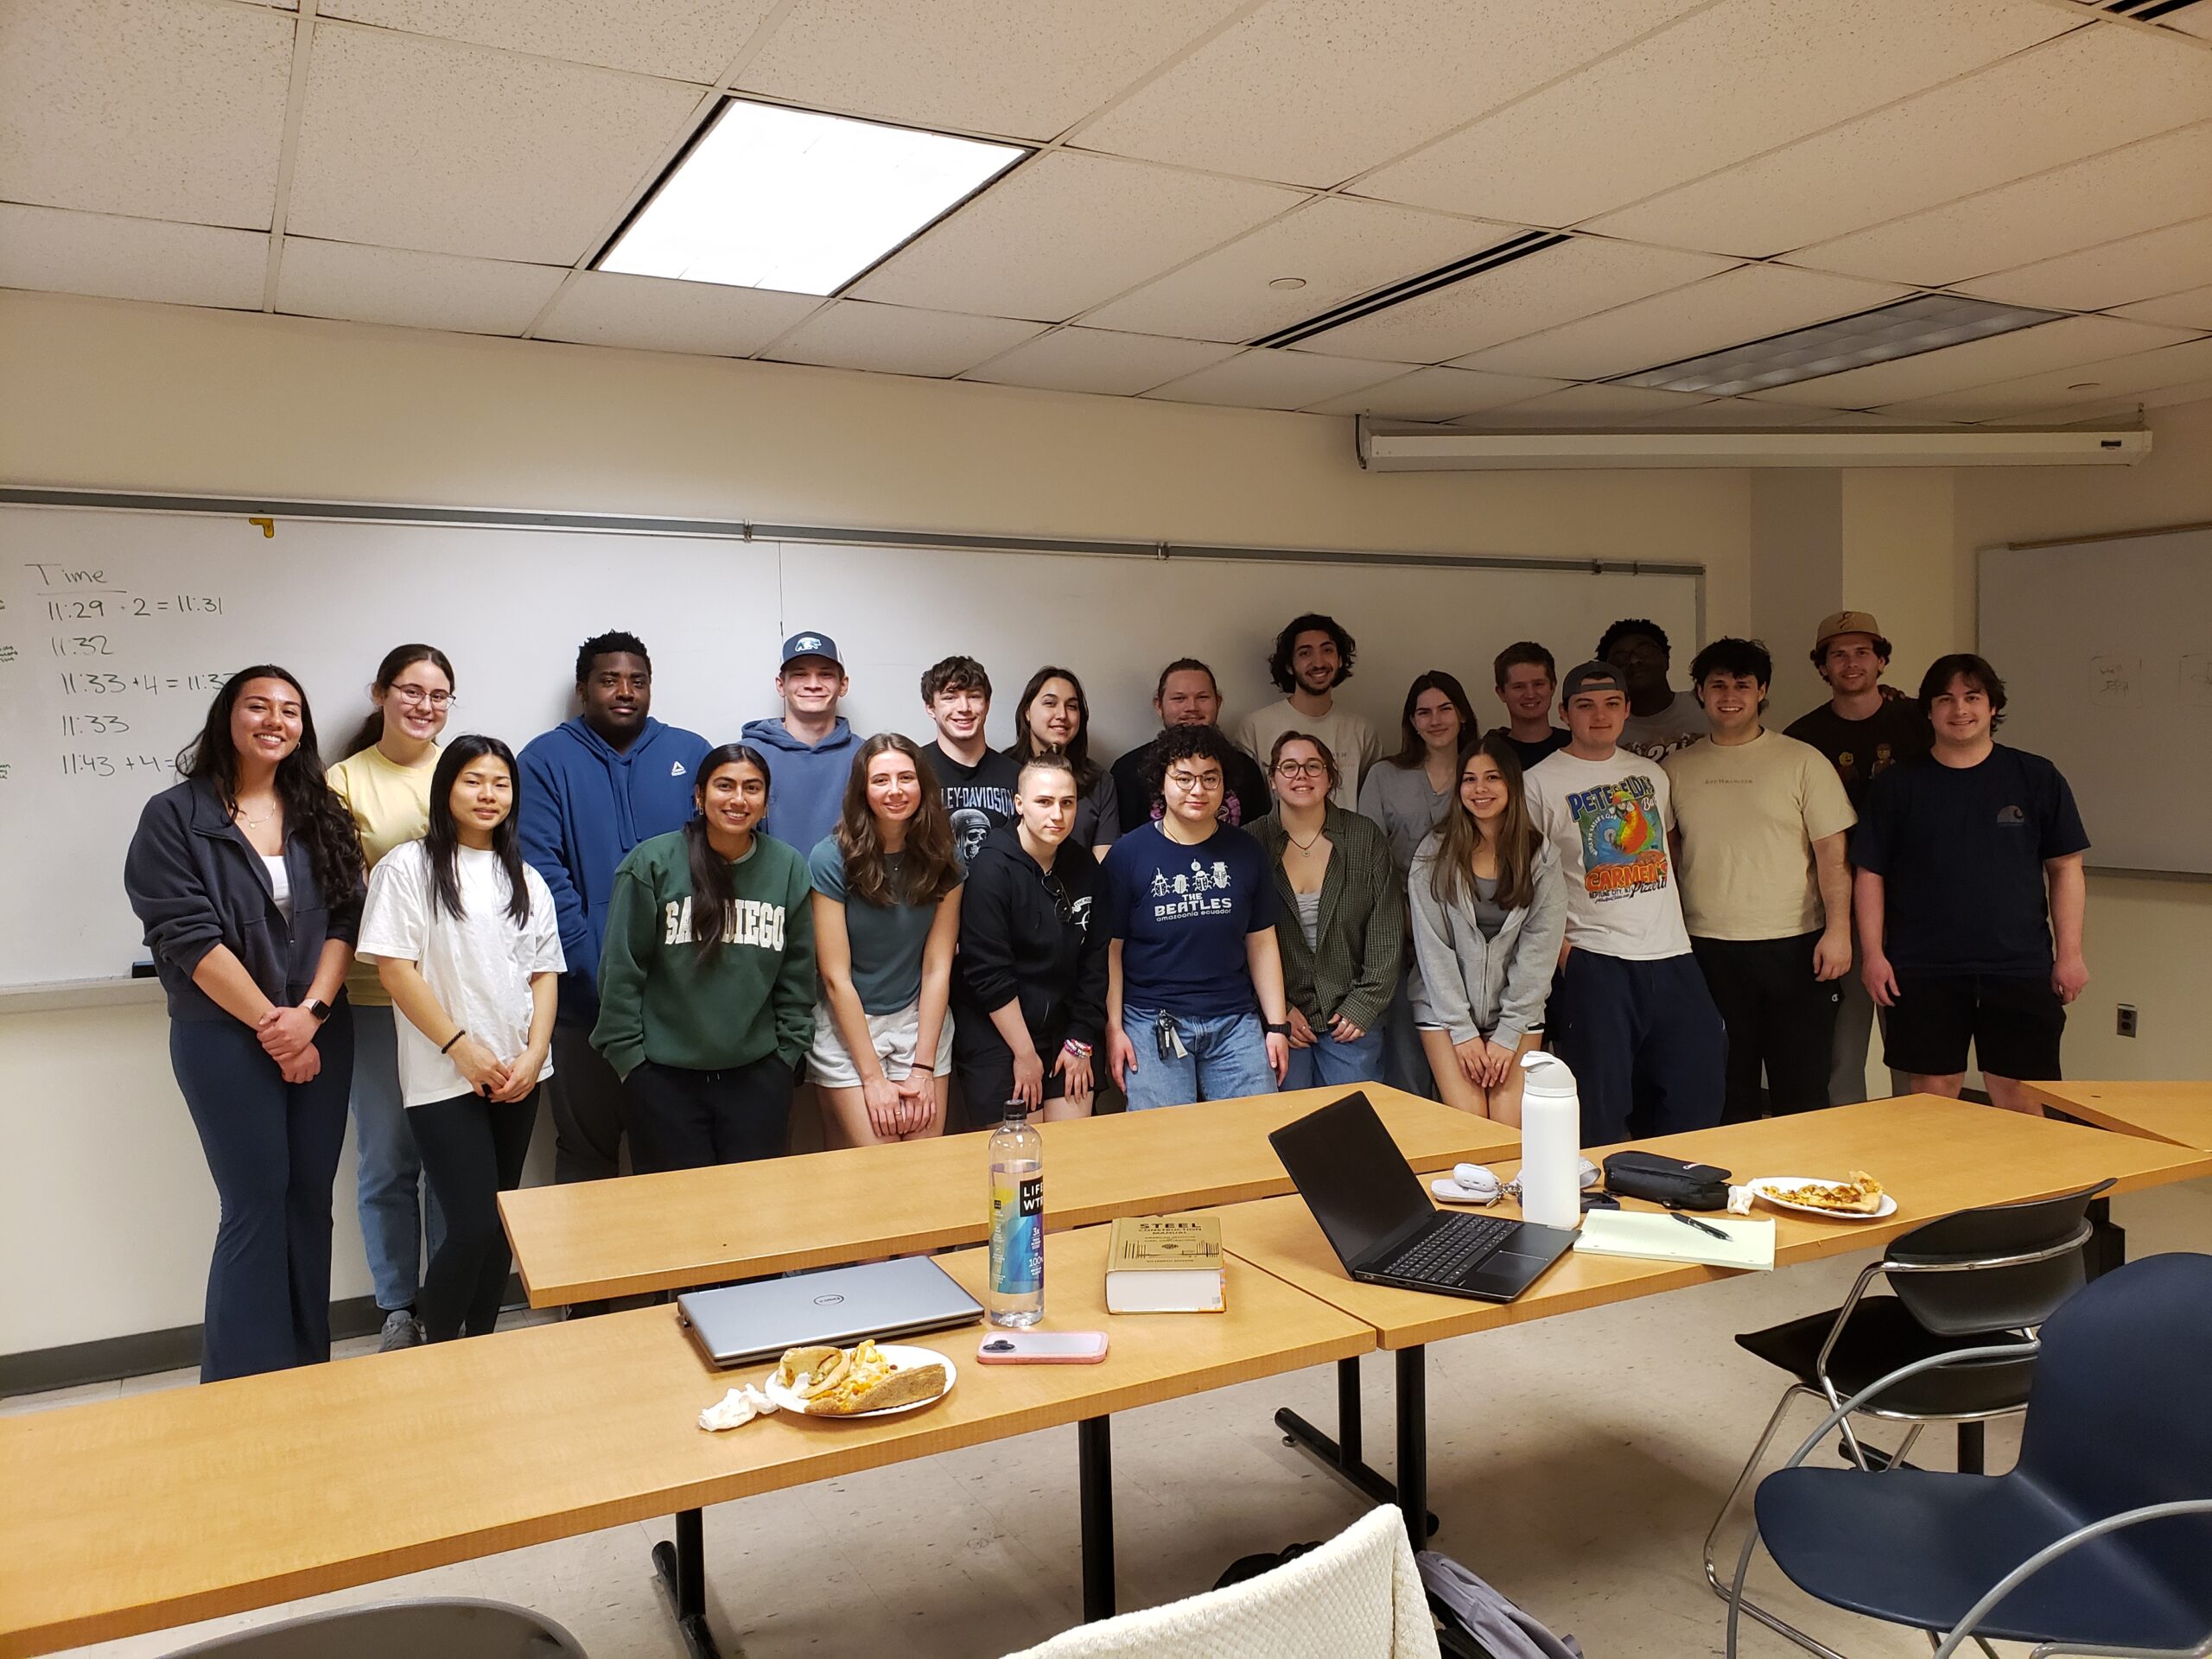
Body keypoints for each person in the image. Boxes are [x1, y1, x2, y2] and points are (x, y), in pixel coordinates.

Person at [124, 668, 364, 1381]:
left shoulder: (322, 810)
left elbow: (348, 916)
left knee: (306, 1198)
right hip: (224, 1034)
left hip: (321, 1027)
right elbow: (187, 936)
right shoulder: (173, 816)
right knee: (254, 1201)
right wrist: (275, 1027)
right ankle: (239, 1387)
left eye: (290, 710)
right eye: (258, 706)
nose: (275, 720)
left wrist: (312, 1015)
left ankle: (305, 1372)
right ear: (227, 717)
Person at [354, 736, 562, 1342]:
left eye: (500, 783)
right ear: (447, 787)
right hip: (445, 1075)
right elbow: (394, 968)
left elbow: (545, 973)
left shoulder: (525, 877)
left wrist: (536, 1054)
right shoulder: (407, 867)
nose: (488, 794)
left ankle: (481, 1346)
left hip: (520, 1074)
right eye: (474, 780)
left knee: (500, 1223)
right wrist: (460, 1048)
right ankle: (437, 1351)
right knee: (470, 1223)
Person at [518, 632, 710, 1216]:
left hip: (682, 1005)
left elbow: (717, 865)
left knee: (674, 1152)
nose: (625, 692)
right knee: (587, 1150)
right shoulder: (543, 761)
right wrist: (603, 976)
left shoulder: (691, 751)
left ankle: (678, 1295)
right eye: (609, 680)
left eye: (638, 680)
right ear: (583, 689)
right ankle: (593, 1303)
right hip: (583, 1004)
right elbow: (544, 876)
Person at [1853, 653, 2089, 1116]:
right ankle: (1939, 1189)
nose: (1959, 709)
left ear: (1993, 707)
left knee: (2019, 1091)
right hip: (1922, 965)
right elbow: (1870, 874)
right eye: (1946, 699)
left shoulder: (2035, 776)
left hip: (2019, 963)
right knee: (1933, 1092)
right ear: (1929, 710)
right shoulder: (1898, 785)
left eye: (1972, 697)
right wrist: (1874, 955)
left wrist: (2071, 955)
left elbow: (2065, 868)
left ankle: (2027, 1190)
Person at [1523, 661, 1725, 1144]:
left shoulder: (1651, 774)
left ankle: (1675, 1194)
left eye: (1612, 704)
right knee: (1601, 1106)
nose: (1600, 715)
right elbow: (1523, 884)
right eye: (1585, 705)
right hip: (1597, 960)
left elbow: (1670, 854)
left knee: (1696, 1092)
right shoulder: (1538, 782)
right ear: (1564, 712)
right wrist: (1567, 957)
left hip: (1672, 956)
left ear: (1627, 710)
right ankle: (1604, 1208)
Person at [592, 744, 817, 1171]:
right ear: (699, 796)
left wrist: (785, 1058)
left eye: (752, 788)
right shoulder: (652, 863)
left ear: (766, 802)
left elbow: (799, 975)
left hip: (757, 1079)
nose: (738, 799)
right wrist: (632, 1067)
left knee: (753, 1219)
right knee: (676, 1222)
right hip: (662, 1081)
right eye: (724, 786)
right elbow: (621, 973)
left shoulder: (788, 867)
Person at [1665, 639, 1855, 1124]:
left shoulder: (1802, 761)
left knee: (1802, 1085)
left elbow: (1833, 856)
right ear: (1700, 694)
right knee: (1726, 1087)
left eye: (1743, 685)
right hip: (1707, 947)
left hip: (1796, 946)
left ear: (1762, 691)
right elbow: (1668, 857)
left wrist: (1839, 932)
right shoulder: (1675, 770)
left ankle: (1808, 1187)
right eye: (1718, 685)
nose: (1730, 696)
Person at [326, 644, 452, 1353]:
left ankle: (449, 1291)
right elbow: (352, 888)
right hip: (375, 996)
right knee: (386, 1157)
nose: (424, 706)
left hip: (457, 996)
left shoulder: (462, 769)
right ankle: (397, 1306)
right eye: (411, 691)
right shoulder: (344, 780)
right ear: (381, 694)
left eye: (438, 695)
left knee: (448, 1154)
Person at [1784, 610, 1932, 1104]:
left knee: (1912, 1047)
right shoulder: (1801, 739)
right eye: (1838, 654)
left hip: (1914, 906)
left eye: (1862, 652)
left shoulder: (1919, 722)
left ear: (1882, 660)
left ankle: (1915, 1145)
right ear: (1822, 667)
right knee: (1841, 1049)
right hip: (1838, 910)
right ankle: (1845, 1150)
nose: (1851, 663)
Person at [1102, 724, 1290, 1109]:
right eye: (1183, 778)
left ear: (1224, 785)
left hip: (1234, 1020)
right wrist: (1114, 1028)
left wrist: (1276, 1026)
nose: (1198, 790)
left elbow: (1262, 942)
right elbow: (1111, 951)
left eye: (1210, 778)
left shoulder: (1246, 851)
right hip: (1153, 1020)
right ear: (1162, 783)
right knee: (1166, 1148)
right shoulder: (1128, 854)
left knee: (1255, 1136)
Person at [810, 734, 965, 1146]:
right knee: (880, 1174)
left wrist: (922, 1070)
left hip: (921, 1022)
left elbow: (937, 967)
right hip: (851, 1026)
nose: (895, 791)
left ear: (923, 786)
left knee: (923, 1167)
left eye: (906, 778)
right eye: (881, 780)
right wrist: (873, 1079)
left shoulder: (945, 856)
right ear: (862, 790)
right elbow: (834, 978)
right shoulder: (830, 858)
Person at [1408, 734, 1568, 1124]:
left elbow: (1540, 950)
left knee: (1507, 1125)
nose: (1480, 789)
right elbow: (1434, 950)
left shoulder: (1541, 856)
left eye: (1492, 778)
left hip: (1517, 1012)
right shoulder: (1434, 852)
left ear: (1512, 784)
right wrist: (1463, 1034)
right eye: (1469, 779)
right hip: (1445, 1013)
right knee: (1473, 1126)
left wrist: (1509, 1033)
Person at [951, 754, 1109, 1126]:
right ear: (1019, 805)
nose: (1057, 815)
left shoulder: (1085, 867)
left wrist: (1080, 1040)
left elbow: (1096, 962)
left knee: (1071, 1153)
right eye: (1044, 802)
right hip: (999, 1033)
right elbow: (988, 974)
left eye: (1067, 803)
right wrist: (1024, 1055)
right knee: (1021, 1158)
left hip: (1065, 1030)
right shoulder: (991, 867)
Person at [1252, 734, 1402, 1090]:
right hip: (1280, 1023)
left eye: (1313, 766)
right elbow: (1237, 943)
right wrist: (1277, 1011)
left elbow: (1387, 933)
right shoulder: (1249, 844)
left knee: (1352, 1130)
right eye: (1288, 767)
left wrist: (1363, 1006)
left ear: (1331, 777)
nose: (1301, 775)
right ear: (1272, 779)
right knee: (1284, 1129)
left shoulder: (1365, 838)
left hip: (1350, 1020)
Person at [1358, 671, 1480, 1096]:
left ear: (1463, 714)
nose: (1435, 720)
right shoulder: (1384, 775)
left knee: (1472, 1058)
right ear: (1411, 722)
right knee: (1408, 1053)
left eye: (1445, 708)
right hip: (1403, 931)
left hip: (1475, 931)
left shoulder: (1482, 770)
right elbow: (1370, 860)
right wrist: (1404, 921)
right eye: (1423, 712)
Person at [1233, 613, 1379, 810]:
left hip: (1348, 840)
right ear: (1289, 666)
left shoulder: (1362, 730)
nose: (1318, 662)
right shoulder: (1254, 727)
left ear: (1340, 660)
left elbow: (1374, 804)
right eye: (1305, 653)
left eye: (1327, 650)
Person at [1110, 658, 1272, 833]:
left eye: (1202, 697)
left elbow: (1259, 836)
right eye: (1179, 699)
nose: (1192, 707)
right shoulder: (1127, 770)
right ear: (1159, 705)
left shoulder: (1245, 769)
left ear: (1218, 702)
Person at [742, 631, 857, 856]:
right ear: (780, 685)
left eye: (825, 675)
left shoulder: (868, 757)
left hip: (847, 888)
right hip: (769, 890)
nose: (812, 684)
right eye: (799, 675)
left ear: (843, 685)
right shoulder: (746, 756)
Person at [1007, 665, 1119, 855]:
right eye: (1050, 703)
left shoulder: (1100, 781)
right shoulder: (1002, 769)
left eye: (1072, 706)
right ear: (1027, 712)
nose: (1062, 715)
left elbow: (1105, 861)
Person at [920, 654, 1020, 863]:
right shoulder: (912, 771)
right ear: (930, 707)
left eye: (974, 696)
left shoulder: (1017, 776)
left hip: (1000, 894)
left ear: (987, 704)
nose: (964, 708)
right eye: (950, 697)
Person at [1599, 618, 1707, 762]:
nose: (1634, 660)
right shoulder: (1604, 727)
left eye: (1645, 651)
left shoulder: (1704, 707)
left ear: (1666, 659)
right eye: (1620, 658)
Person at [1488, 641, 1571, 772]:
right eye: (1518, 687)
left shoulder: (1574, 744)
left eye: (1538, 684)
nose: (1530, 694)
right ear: (1501, 693)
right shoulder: (1489, 754)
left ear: (1553, 686)